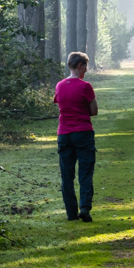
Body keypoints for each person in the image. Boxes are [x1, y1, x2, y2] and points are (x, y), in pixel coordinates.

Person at [55, 51, 98, 222]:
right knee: (85, 172)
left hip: (64, 134)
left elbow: (60, 103)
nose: (86, 70)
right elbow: (94, 111)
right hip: (83, 133)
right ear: (80, 66)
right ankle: (85, 207)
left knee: (67, 175)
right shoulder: (85, 86)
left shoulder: (59, 85)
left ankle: (71, 213)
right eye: (85, 66)